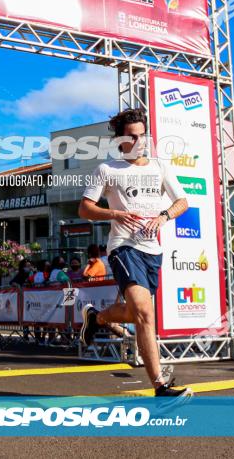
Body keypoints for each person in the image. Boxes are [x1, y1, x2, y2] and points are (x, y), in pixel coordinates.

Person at [78, 107, 192, 401]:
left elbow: (182, 202)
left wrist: (164, 217)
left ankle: (97, 318)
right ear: (119, 140)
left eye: (143, 135)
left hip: (152, 251)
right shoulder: (108, 169)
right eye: (132, 136)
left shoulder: (160, 167)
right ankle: (161, 386)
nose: (139, 141)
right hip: (122, 247)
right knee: (143, 311)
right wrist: (114, 212)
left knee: (135, 313)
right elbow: (85, 209)